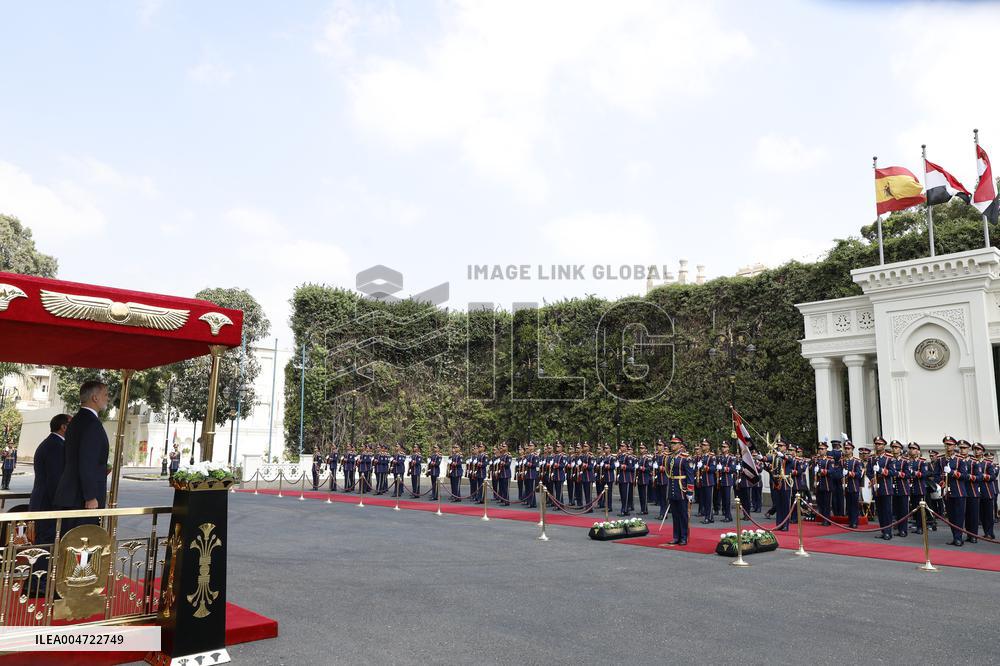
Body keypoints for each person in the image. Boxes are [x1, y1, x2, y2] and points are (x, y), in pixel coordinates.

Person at [53, 380, 111, 528]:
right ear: (95, 398)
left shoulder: (77, 420)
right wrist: (90, 496)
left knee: (71, 543)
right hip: (82, 498)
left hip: (72, 494)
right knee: (83, 545)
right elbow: (87, 462)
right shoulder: (91, 423)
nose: (108, 398)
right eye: (105, 394)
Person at [29, 414, 71, 548]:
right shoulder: (55, 446)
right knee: (45, 546)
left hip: (47, 503)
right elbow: (55, 479)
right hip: (48, 505)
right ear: (64, 427)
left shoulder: (54, 443)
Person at [665, 435, 695, 545]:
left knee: (683, 514)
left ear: (680, 445)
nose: (672, 445)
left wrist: (690, 491)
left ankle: (683, 537)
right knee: (675, 514)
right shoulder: (670, 457)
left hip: (682, 488)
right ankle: (676, 536)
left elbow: (690, 475)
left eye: (674, 443)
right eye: (671, 443)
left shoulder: (686, 458)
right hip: (673, 487)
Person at [941, 436, 968, 546]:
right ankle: (955, 536)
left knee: (959, 516)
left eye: (950, 444)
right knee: (951, 516)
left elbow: (965, 475)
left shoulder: (960, 460)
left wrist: (952, 472)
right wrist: (940, 483)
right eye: (946, 444)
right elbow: (937, 475)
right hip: (947, 492)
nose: (948, 447)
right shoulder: (941, 460)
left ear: (954, 446)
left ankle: (958, 537)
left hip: (959, 491)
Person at [842, 441, 865, 528]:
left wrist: (849, 473)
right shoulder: (843, 461)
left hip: (854, 485)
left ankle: (855, 522)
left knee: (854, 505)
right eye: (846, 449)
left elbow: (859, 474)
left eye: (848, 449)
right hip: (846, 486)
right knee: (849, 504)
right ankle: (850, 521)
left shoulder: (857, 461)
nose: (847, 450)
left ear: (852, 450)